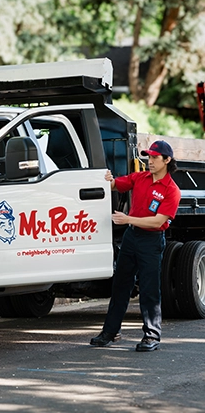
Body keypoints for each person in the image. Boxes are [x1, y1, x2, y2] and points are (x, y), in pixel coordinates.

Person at [90, 140, 181, 351]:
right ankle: (110, 332)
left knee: (149, 289)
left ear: (167, 160)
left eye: (155, 158)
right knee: (121, 284)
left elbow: (158, 221)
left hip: (151, 240)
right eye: (149, 157)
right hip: (132, 238)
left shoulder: (171, 190)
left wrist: (128, 219)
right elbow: (115, 185)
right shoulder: (140, 178)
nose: (150, 161)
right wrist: (108, 180)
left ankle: (152, 336)